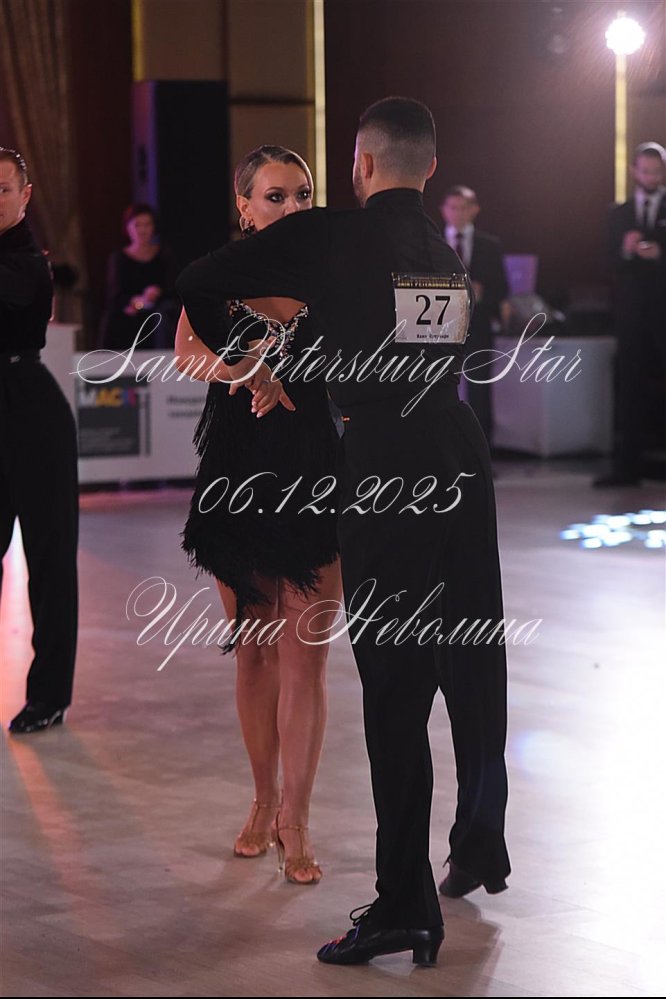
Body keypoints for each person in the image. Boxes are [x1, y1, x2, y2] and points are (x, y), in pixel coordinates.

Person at [177, 98, 510, 966]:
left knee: (395, 686)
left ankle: (403, 906)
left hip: (387, 463)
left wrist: (262, 353)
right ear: (430, 168)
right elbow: (387, 339)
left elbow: (199, 280)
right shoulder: (443, 249)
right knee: (471, 655)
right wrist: (282, 361)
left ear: (359, 165)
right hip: (461, 458)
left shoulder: (333, 235)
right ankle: (480, 838)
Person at [174, 146, 342, 884]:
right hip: (238, 470)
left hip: (316, 470)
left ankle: (296, 818)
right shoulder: (218, 276)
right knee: (254, 649)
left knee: (309, 655)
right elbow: (186, 352)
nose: (293, 207)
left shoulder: (333, 272)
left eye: (303, 194)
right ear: (244, 207)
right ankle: (262, 797)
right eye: (276, 196)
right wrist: (247, 370)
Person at [0, 147, 78, 734]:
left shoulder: (30, 263)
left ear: (25, 195)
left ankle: (49, 696)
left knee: (49, 561)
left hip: (30, 413)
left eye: (3, 189)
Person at [594, 142, 666, 487]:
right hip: (631, 315)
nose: (651, 177)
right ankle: (627, 467)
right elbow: (606, 263)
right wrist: (626, 251)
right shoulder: (619, 214)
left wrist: (660, 255)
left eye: (657, 171)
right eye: (645, 170)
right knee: (630, 387)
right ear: (634, 171)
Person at [440, 185, 510, 442]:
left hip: (478, 327)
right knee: (439, 389)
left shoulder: (490, 245)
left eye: (464, 207)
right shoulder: (433, 242)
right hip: (439, 328)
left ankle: (482, 450)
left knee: (481, 389)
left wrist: (481, 295)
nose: (458, 213)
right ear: (444, 210)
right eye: (453, 207)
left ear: (475, 210)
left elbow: (502, 288)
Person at [99, 203, 177, 351]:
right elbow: (115, 294)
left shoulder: (164, 255)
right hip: (128, 315)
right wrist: (135, 302)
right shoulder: (119, 258)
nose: (142, 230)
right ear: (128, 228)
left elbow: (172, 288)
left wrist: (156, 293)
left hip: (157, 314)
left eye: (147, 225)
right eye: (137, 225)